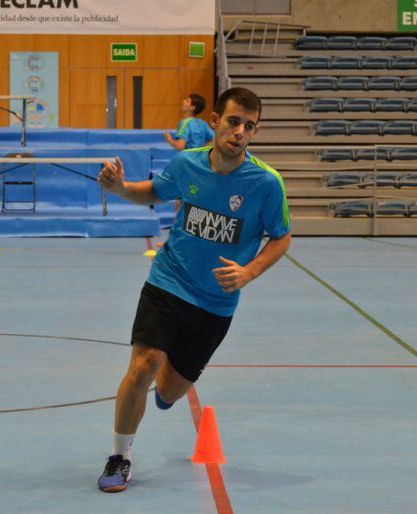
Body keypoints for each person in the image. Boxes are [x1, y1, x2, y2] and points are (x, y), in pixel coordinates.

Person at [96, 87, 291, 493]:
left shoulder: (266, 183)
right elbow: (154, 191)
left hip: (215, 304)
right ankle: (119, 458)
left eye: (249, 126)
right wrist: (119, 188)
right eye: (234, 121)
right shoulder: (186, 164)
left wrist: (249, 272)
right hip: (168, 280)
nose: (240, 132)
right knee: (142, 364)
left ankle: (168, 385)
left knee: (168, 391)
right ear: (214, 122)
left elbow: (281, 237)